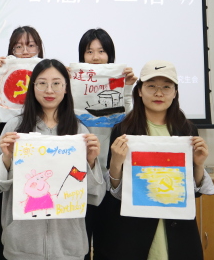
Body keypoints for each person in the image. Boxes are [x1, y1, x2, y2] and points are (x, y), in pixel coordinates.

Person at [0, 59, 105, 260]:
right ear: (33, 87)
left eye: (56, 83)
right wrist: (7, 158)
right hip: (22, 245)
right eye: (42, 83)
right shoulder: (15, 128)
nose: (49, 90)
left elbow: (96, 196)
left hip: (68, 247)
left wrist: (91, 162)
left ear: (66, 88)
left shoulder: (80, 132)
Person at [99, 60, 214, 260]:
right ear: (139, 91)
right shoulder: (124, 130)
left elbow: (194, 191)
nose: (159, 93)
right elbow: (115, 192)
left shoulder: (187, 130)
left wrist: (198, 164)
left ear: (175, 92)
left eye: (166, 87)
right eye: (151, 86)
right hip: (134, 229)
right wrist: (116, 163)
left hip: (177, 228)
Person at [0, 25, 44, 260]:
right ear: (11, 50)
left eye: (31, 45)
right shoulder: (5, 73)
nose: (25, 51)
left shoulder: (48, 76)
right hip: (7, 141)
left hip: (39, 143)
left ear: (39, 49)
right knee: (0, 210)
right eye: (18, 46)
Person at [77, 28, 137, 260]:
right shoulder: (73, 85)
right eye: (89, 51)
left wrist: (128, 87)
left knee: (108, 245)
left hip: (112, 176)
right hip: (81, 176)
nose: (95, 57)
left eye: (101, 51)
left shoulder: (118, 82)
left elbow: (128, 120)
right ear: (82, 56)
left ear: (110, 55)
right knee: (80, 243)